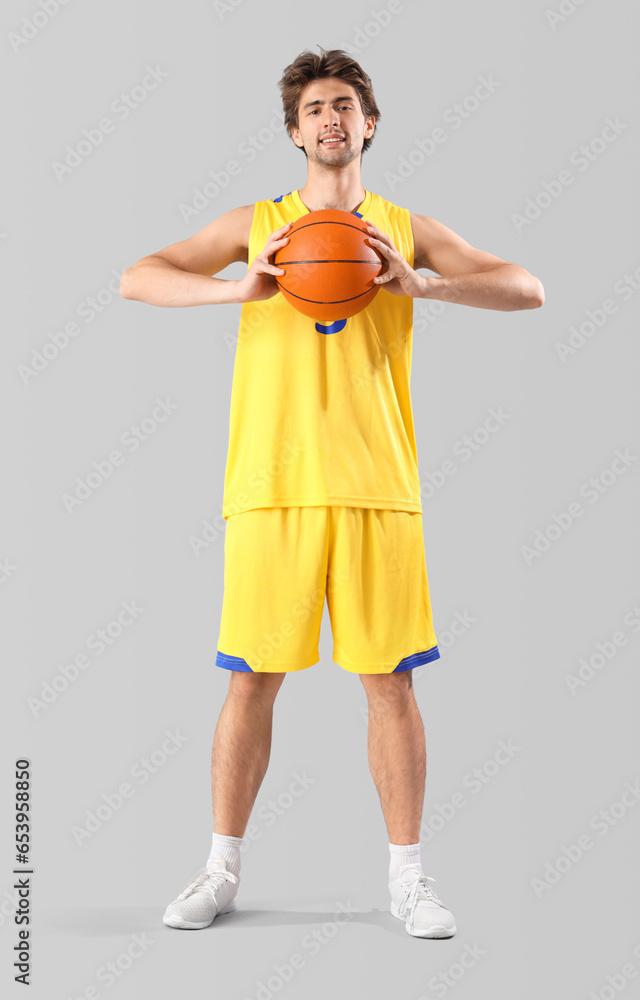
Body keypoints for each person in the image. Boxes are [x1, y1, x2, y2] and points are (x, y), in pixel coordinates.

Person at [120, 46, 544, 939]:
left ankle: (409, 883)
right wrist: (240, 288)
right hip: (269, 488)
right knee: (249, 683)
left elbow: (526, 287)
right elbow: (137, 277)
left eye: (345, 104)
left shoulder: (403, 226)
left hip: (377, 486)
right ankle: (219, 870)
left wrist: (425, 281)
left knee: (389, 684)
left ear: (370, 122)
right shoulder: (254, 226)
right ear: (293, 131)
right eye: (314, 107)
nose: (330, 119)